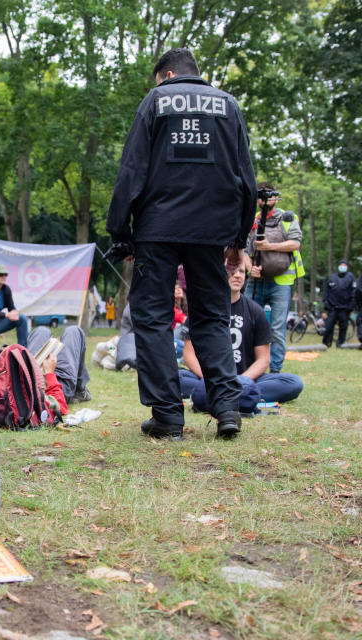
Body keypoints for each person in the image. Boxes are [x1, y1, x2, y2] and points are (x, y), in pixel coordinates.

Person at [105, 47, 256, 440]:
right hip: (211, 231)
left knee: (152, 319)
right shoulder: (229, 106)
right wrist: (238, 239)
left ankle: (168, 416)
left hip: (158, 229)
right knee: (212, 318)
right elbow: (246, 178)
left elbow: (132, 170)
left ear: (168, 74)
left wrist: (120, 233)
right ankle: (227, 409)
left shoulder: (156, 101)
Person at [180, 259, 303, 412]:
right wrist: (210, 379)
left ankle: (213, 395)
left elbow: (263, 359)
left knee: (294, 382)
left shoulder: (256, 311)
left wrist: (242, 381)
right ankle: (241, 397)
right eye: (232, 271)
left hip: (246, 379)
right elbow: (188, 355)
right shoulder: (202, 309)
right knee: (174, 377)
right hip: (207, 378)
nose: (238, 276)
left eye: (242, 272)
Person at [245, 183, 304, 371]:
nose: (266, 199)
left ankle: (275, 371)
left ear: (276, 198)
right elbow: (244, 250)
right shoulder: (252, 221)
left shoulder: (287, 217)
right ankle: (247, 366)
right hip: (256, 281)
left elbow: (295, 244)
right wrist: (249, 269)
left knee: (277, 329)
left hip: (281, 282)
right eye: (262, 196)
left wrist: (269, 246)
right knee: (247, 323)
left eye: (270, 196)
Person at [0, 338, 69, 420]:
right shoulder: (8, 393)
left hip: (32, 375)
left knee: (41, 331)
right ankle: (80, 390)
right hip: (53, 383)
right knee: (74, 333)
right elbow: (61, 407)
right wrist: (50, 373)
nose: (4, 357)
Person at [321, 259, 357, 348]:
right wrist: (325, 301)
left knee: (343, 326)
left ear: (347, 267)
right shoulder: (332, 277)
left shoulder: (350, 277)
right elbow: (326, 291)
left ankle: (340, 343)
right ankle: (326, 342)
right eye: (341, 265)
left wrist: (352, 304)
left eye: (344, 265)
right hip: (333, 307)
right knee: (329, 326)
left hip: (345, 307)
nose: (343, 266)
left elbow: (354, 291)